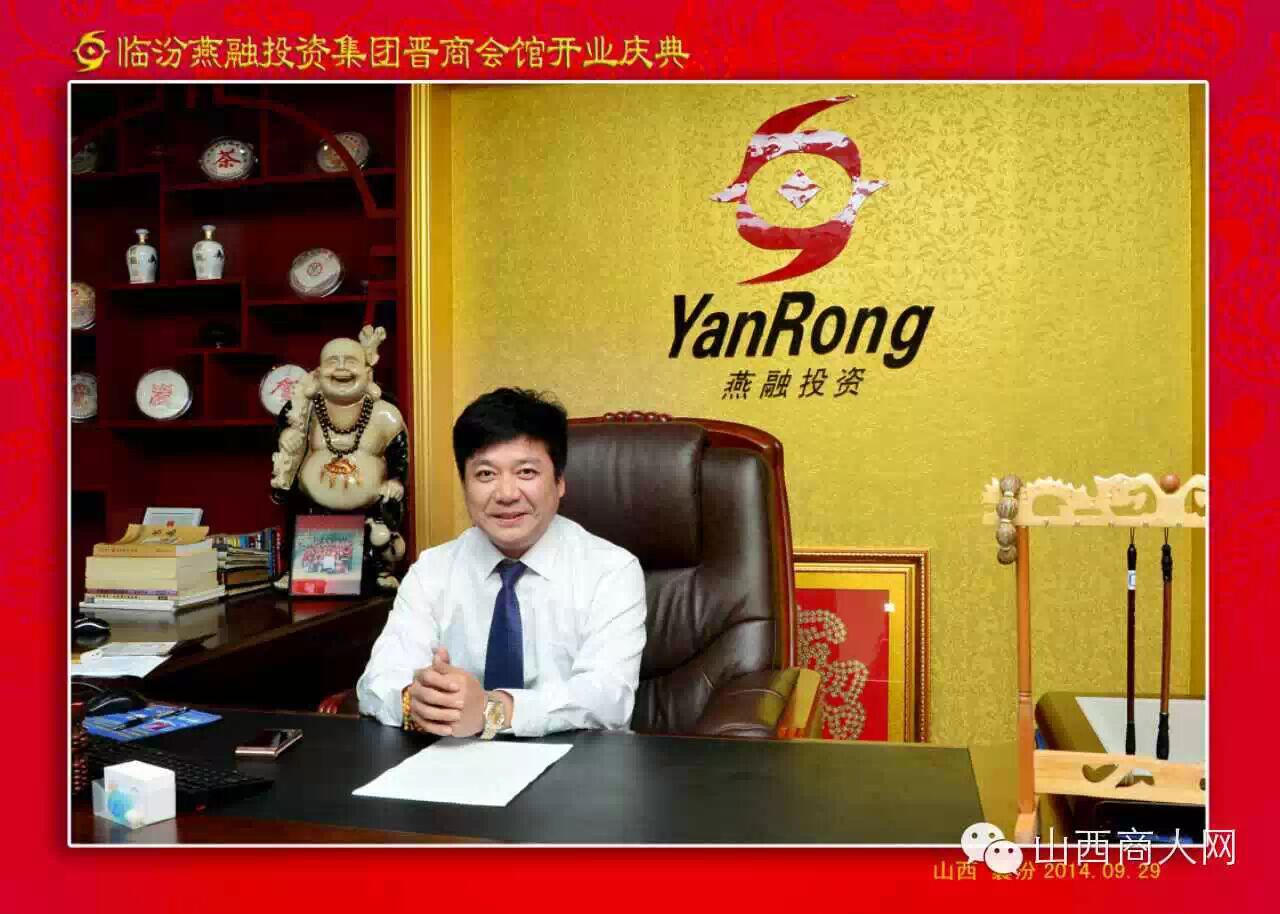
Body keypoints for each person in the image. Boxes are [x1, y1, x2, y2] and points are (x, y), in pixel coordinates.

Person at [356, 388, 647, 739]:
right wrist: (415, 701)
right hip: (453, 760)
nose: (506, 494)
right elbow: (377, 682)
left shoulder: (611, 571)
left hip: (578, 762)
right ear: (464, 485)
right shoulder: (432, 571)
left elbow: (608, 699)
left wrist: (493, 710)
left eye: (526, 472)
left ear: (559, 482)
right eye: (485, 475)